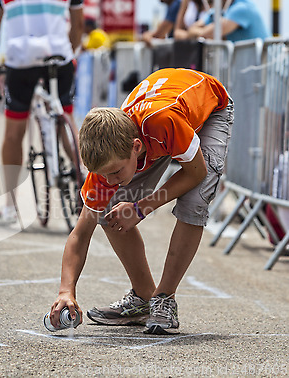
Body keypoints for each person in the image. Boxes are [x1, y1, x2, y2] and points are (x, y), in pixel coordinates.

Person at [49, 67, 234, 335]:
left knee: (193, 202)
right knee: (107, 211)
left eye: (115, 173)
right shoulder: (109, 161)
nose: (109, 181)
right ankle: (144, 296)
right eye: (103, 175)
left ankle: (164, 298)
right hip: (159, 127)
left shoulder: (162, 124)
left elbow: (196, 172)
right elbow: (80, 233)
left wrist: (141, 207)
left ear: (136, 147)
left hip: (208, 108)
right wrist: (66, 290)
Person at [0, 0, 84, 225]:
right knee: (65, 119)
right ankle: (85, 178)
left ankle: (10, 207)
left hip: (21, 61)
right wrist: (69, 52)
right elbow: (78, 26)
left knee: (13, 132)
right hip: (60, 58)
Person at [186, 0, 269, 42]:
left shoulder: (242, 8)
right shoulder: (219, 11)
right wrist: (204, 32)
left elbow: (210, 33)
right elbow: (192, 30)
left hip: (262, 70)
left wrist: (204, 32)